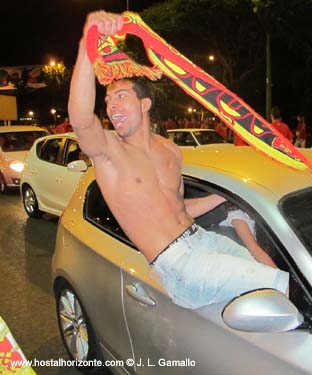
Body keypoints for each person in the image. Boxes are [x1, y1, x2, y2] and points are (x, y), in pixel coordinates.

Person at [68, 11, 289, 309]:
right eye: (107, 101)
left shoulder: (170, 150)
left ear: (144, 104)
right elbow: (81, 118)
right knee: (276, 286)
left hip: (202, 240)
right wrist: (87, 43)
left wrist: (221, 198)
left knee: (276, 274)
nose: (110, 106)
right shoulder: (109, 152)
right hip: (178, 262)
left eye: (120, 97)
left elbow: (179, 206)